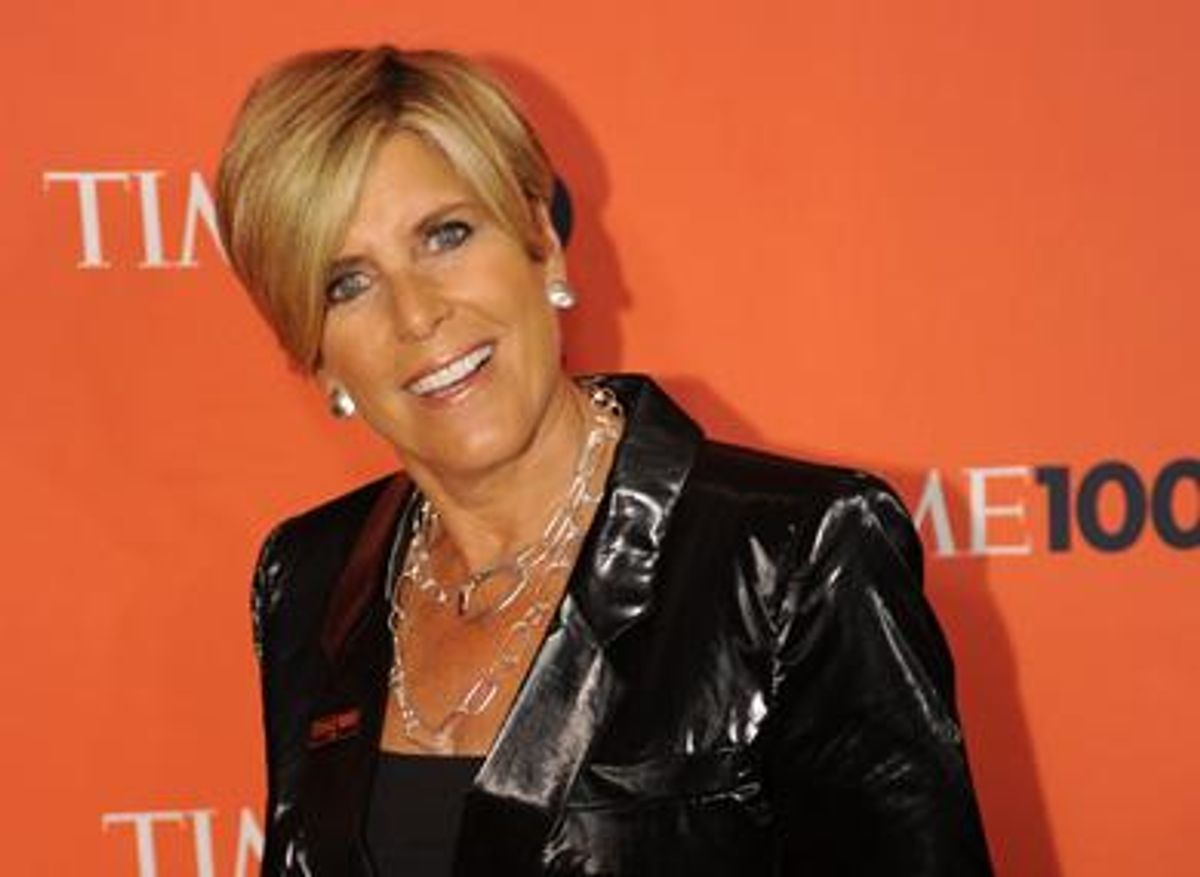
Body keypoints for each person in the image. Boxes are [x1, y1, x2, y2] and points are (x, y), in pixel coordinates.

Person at [217, 45, 993, 876]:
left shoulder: (794, 557)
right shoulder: (310, 579)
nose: (416, 314)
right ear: (317, 356)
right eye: (347, 283)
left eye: (446, 236)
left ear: (542, 243)